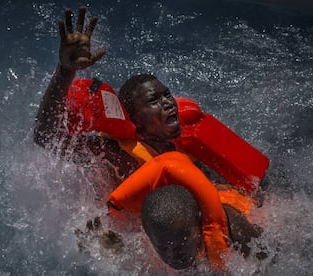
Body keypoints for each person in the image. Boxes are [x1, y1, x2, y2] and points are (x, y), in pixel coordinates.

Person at [34, 6, 265, 270]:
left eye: (167, 95)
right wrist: (65, 72)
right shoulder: (115, 153)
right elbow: (45, 136)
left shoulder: (183, 136)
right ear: (134, 120)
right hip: (156, 232)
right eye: (154, 101)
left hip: (188, 219)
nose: (168, 103)